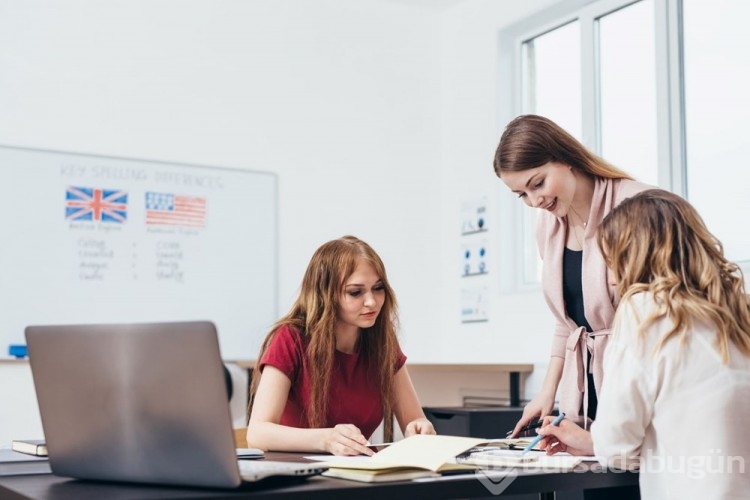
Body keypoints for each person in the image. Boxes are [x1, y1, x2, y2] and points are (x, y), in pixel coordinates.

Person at [536, 189, 750, 499]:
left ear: (635, 257)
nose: (611, 281)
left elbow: (616, 448)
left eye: (613, 262)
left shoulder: (644, 310)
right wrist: (593, 441)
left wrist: (599, 441)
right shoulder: (739, 309)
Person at [493, 114, 653, 436]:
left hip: (639, 382)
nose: (535, 201)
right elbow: (568, 321)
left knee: (633, 478)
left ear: (565, 158)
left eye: (538, 183)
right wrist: (546, 393)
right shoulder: (549, 225)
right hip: (588, 390)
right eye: (522, 194)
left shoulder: (637, 206)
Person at [246, 235, 435, 456]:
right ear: (325, 295)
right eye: (355, 292)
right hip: (298, 478)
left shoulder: (382, 340)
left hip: (359, 476)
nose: (372, 302)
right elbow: (257, 434)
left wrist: (419, 427)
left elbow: (414, 419)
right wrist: (326, 439)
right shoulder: (290, 339)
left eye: (378, 288)